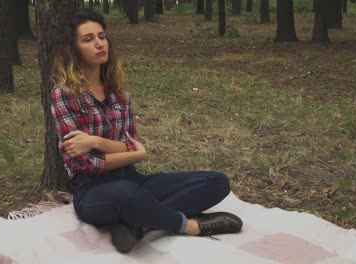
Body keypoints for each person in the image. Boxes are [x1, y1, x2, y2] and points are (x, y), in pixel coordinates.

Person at [50, 9, 242, 253]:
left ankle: (135, 223)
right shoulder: (64, 94)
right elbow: (85, 164)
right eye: (88, 39)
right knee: (127, 194)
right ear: (73, 49)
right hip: (92, 189)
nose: (99, 43)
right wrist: (136, 155)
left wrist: (95, 141)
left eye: (102, 36)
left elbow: (130, 143)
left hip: (131, 178)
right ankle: (188, 225)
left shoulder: (118, 91)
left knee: (217, 182)